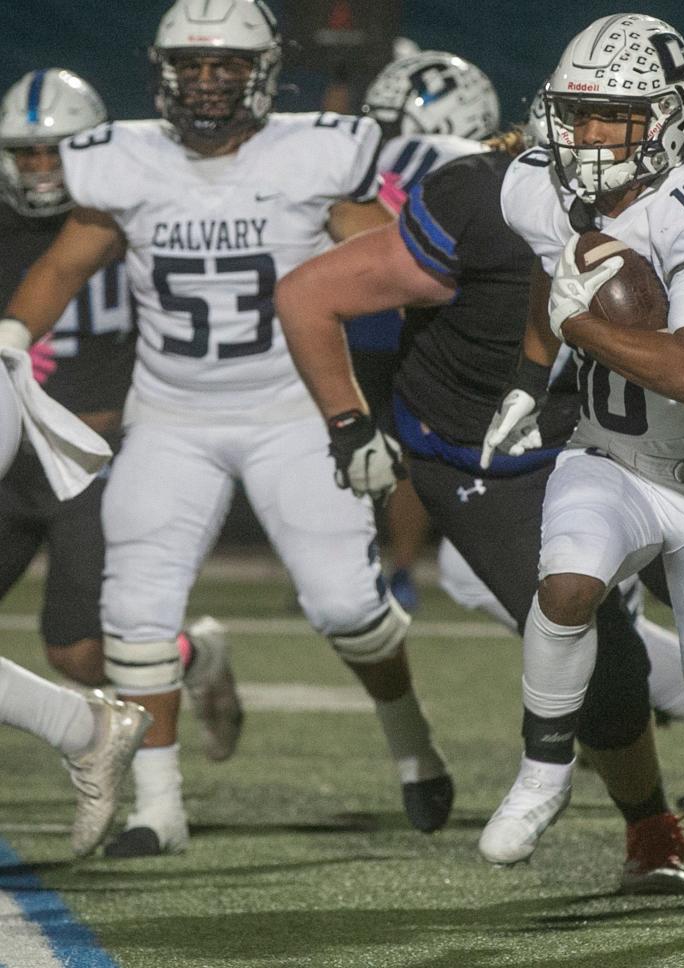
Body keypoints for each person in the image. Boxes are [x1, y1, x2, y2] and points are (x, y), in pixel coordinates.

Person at [0, 0, 449, 858]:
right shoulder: (120, 160)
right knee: (133, 607)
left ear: (263, 72)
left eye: (227, 66)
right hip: (171, 414)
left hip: (291, 409)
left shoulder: (312, 152)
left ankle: (411, 740)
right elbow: (62, 265)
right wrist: (12, 343)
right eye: (192, 66)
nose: (207, 82)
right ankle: (156, 808)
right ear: (164, 71)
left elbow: (392, 260)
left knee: (348, 607)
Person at [277, 131, 684, 894]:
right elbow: (311, 292)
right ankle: (646, 821)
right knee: (599, 649)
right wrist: (349, 424)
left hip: (613, 429)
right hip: (487, 454)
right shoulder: (485, 195)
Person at [476, 14, 684, 934]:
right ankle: (543, 770)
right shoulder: (537, 186)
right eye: (576, 114)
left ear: (665, 120)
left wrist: (578, 331)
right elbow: (555, 282)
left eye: (610, 118)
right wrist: (524, 379)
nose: (586, 138)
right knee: (567, 586)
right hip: (609, 454)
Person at [0, 67, 240, 765]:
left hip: (96, 461)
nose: (43, 169)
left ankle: (195, 657)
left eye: (58, 151)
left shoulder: (135, 215)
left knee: (77, 655)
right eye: (27, 153)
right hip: (8, 460)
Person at [329, 48, 502, 611]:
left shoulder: (376, 153)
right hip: (433, 317)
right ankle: (399, 569)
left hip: (355, 313)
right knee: (412, 448)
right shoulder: (476, 162)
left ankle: (348, 563)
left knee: (346, 436)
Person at [0, 324, 151, 859]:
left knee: (78, 648)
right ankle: (83, 728)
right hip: (17, 432)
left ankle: (86, 726)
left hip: (67, 442)